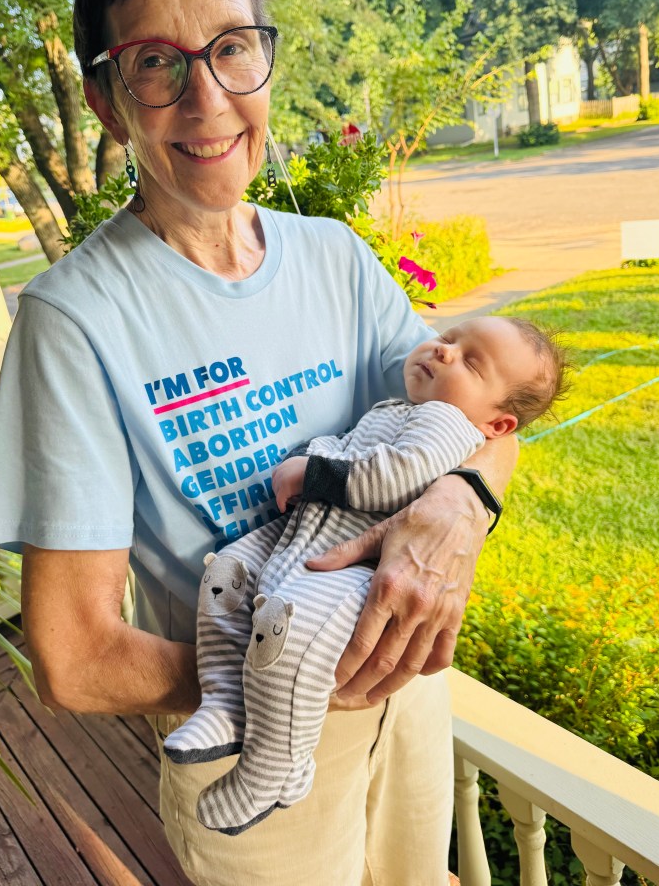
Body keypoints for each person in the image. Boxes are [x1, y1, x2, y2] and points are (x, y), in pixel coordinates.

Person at [0, 0, 519, 886]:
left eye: (231, 50)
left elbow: (484, 427)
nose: (209, 100)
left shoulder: (335, 257)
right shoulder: (74, 319)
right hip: (261, 762)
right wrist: (281, 671)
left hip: (416, 698)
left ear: (263, 59)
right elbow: (73, 654)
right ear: (108, 101)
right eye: (155, 63)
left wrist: (458, 505)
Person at [164, 316, 567, 835]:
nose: (444, 352)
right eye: (449, 338)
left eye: (470, 362)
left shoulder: (448, 424)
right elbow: (351, 447)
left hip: (355, 563)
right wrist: (317, 453)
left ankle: (273, 769)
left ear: (498, 425)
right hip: (306, 535)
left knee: (287, 633)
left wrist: (309, 471)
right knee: (227, 572)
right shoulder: (400, 410)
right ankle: (223, 700)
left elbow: (399, 475)